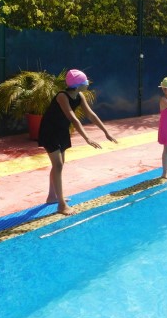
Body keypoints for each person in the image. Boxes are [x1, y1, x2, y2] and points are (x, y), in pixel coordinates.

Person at [38, 69, 117, 215]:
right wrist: (87, 138)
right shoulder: (62, 96)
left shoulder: (79, 96)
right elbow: (73, 118)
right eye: (86, 81)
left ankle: (52, 196)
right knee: (58, 164)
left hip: (61, 130)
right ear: (78, 85)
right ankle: (61, 205)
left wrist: (106, 132)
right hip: (49, 131)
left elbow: (91, 115)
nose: (88, 84)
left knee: (59, 164)